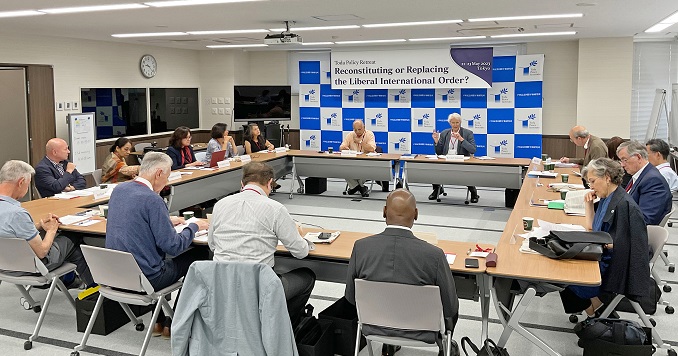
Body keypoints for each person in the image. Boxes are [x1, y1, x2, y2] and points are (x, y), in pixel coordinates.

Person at [105, 152, 209, 338]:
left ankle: (159, 321)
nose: (167, 183)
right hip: (148, 279)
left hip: (116, 275)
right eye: (167, 176)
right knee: (201, 254)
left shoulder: (120, 190)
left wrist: (165, 219)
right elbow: (173, 246)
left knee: (153, 254)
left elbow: (133, 218)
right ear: (159, 173)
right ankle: (175, 320)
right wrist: (193, 226)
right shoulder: (153, 200)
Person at [344, 189, 459, 356]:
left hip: (374, 327)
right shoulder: (434, 255)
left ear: (384, 212)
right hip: (424, 333)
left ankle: (388, 345)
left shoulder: (361, 248)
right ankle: (445, 347)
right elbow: (450, 306)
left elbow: (350, 297)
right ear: (416, 215)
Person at [208, 161, 315, 326]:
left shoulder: (220, 205)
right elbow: (300, 252)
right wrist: (301, 237)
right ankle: (282, 331)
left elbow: (213, 245)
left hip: (222, 285)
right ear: (270, 183)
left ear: (242, 184)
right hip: (258, 288)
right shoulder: (275, 209)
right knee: (307, 277)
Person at [560, 158, 649, 318]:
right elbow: (593, 229)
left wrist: (603, 244)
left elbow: (632, 248)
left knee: (565, 276)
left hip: (613, 268)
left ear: (607, 177)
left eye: (593, 181)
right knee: (563, 266)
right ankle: (596, 309)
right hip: (601, 257)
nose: (590, 186)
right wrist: (588, 205)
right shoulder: (608, 198)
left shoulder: (624, 206)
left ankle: (595, 315)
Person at [0, 160, 94, 288]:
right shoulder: (18, 213)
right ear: (21, 182)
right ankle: (93, 289)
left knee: (71, 250)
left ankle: (75, 283)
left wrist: (38, 225)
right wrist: (51, 230)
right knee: (71, 236)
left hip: (4, 265)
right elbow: (42, 252)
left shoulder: (10, 211)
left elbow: (10, 231)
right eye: (28, 184)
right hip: (32, 267)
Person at [617, 140, 672, 225]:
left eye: (625, 160)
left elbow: (645, 219)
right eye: (621, 161)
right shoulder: (639, 175)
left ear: (638, 157)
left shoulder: (653, 181)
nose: (622, 165)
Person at [431, 113, 478, 202]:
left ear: (460, 122)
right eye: (453, 123)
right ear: (450, 123)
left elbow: (473, 150)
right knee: (434, 168)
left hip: (462, 161)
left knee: (467, 172)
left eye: (457, 122)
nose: (455, 125)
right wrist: (436, 141)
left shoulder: (467, 133)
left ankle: (473, 192)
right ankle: (437, 189)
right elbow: (439, 152)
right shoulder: (445, 133)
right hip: (446, 160)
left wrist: (461, 139)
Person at [339, 119, 376, 198]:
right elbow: (341, 147)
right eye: (355, 130)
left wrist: (360, 142)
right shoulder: (350, 135)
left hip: (366, 163)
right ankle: (360, 188)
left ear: (364, 127)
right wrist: (344, 148)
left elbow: (372, 149)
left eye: (359, 129)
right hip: (353, 162)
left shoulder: (369, 134)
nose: (357, 132)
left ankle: (354, 187)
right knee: (344, 169)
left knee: (361, 169)